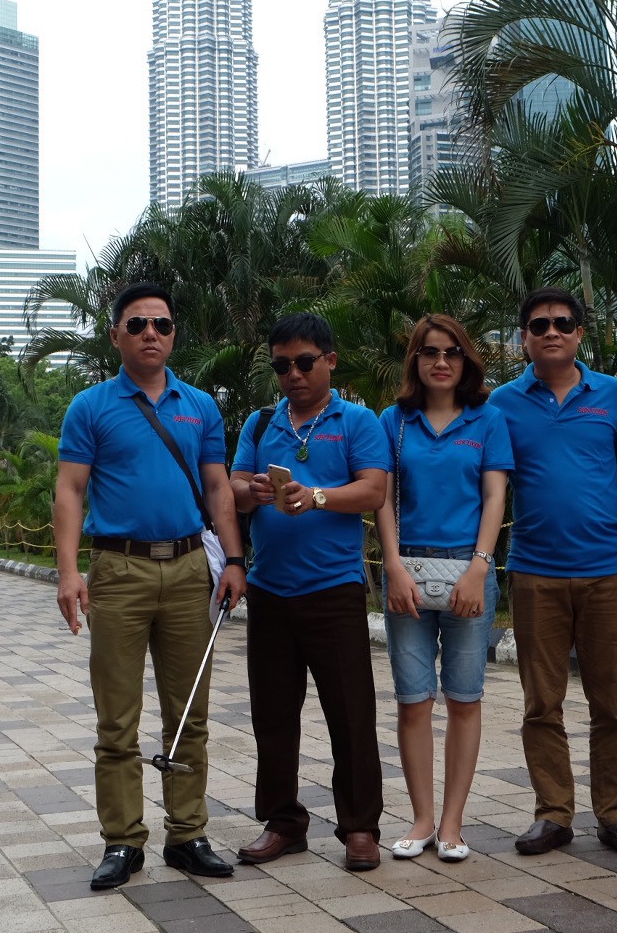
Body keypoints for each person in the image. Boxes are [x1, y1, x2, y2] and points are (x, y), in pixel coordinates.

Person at [54, 282, 249, 892]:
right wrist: (68, 572)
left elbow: (217, 488)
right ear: (116, 334)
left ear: (173, 335)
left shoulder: (200, 407)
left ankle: (188, 835)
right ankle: (122, 840)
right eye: (137, 324)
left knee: (188, 713)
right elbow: (70, 490)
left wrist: (234, 560)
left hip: (190, 570)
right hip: (119, 572)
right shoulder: (90, 407)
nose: (150, 334)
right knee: (117, 718)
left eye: (161, 325)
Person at [485, 287, 617, 860]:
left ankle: (616, 814)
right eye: (539, 325)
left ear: (580, 333)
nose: (551, 331)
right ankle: (553, 813)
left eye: (562, 323)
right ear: (524, 338)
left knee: (613, 704)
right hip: (535, 574)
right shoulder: (502, 404)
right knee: (541, 704)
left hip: (609, 572)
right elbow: (491, 482)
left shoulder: (613, 395)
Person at [231, 312, 391, 872]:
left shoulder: (357, 422)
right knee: (273, 715)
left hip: (334, 592)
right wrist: (251, 491)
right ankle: (282, 823)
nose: (293, 375)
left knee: (351, 714)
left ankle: (360, 827)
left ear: (330, 361)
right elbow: (233, 487)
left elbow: (374, 490)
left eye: (304, 362)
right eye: (282, 366)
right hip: (270, 592)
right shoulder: (260, 424)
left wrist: (317, 496)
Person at [374, 315, 511, 864]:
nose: (441, 362)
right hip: (407, 570)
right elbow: (383, 498)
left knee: (464, 697)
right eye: (429, 352)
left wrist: (480, 567)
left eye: (452, 352)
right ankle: (422, 818)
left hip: (468, 571)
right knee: (413, 700)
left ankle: (453, 823)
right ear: (415, 360)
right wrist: (392, 566)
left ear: (466, 359)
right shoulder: (394, 421)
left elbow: (495, 496)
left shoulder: (488, 419)